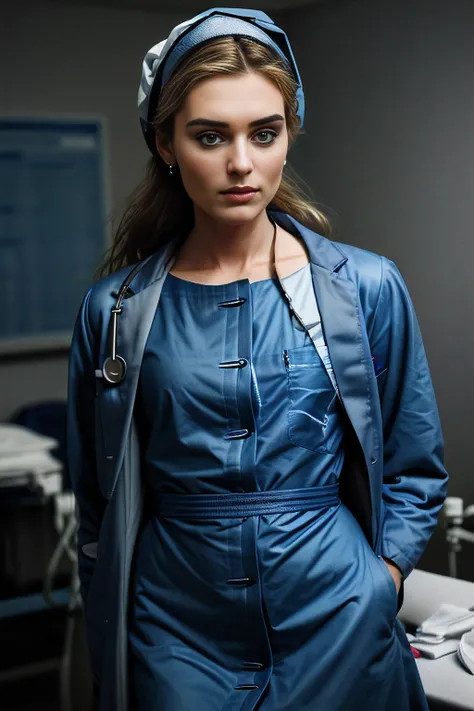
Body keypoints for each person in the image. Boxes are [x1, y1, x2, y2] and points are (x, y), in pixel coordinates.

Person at [67, 8, 448, 711]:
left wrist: (381, 579)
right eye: (210, 136)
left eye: (264, 133)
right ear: (166, 144)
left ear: (287, 132)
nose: (242, 163)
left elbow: (416, 464)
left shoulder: (366, 287)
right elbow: (98, 498)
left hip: (338, 614)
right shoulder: (113, 312)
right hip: (176, 630)